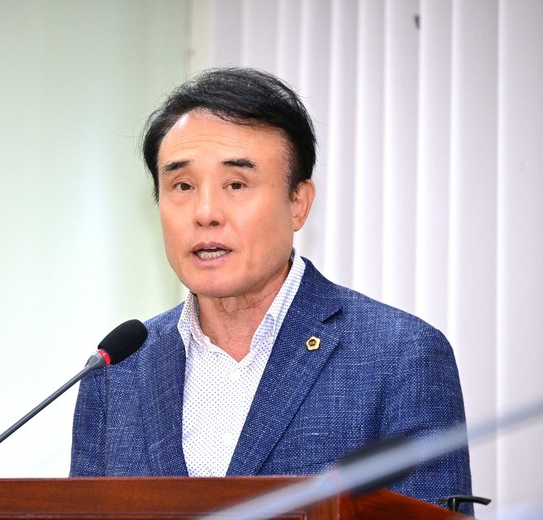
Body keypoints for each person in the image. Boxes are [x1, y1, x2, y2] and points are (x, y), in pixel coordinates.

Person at [70, 67, 472, 512]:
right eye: (182, 186)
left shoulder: (400, 356)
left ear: (298, 203)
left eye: (236, 184)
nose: (206, 212)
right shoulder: (116, 372)